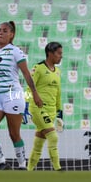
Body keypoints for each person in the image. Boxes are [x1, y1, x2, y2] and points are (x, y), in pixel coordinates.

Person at [0, 21, 43, 170]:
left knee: (14, 133)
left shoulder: (16, 51)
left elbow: (26, 73)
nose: (0, 33)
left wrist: (35, 94)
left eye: (5, 31)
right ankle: (2, 162)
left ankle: (22, 165)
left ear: (11, 34)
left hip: (12, 95)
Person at [26, 41, 63, 171]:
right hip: (38, 108)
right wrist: (25, 107)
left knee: (39, 142)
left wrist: (60, 111)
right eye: (59, 53)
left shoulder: (58, 71)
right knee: (53, 137)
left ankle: (29, 170)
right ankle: (58, 169)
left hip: (51, 110)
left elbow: (58, 92)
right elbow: (29, 87)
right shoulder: (38, 68)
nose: (61, 56)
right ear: (50, 53)